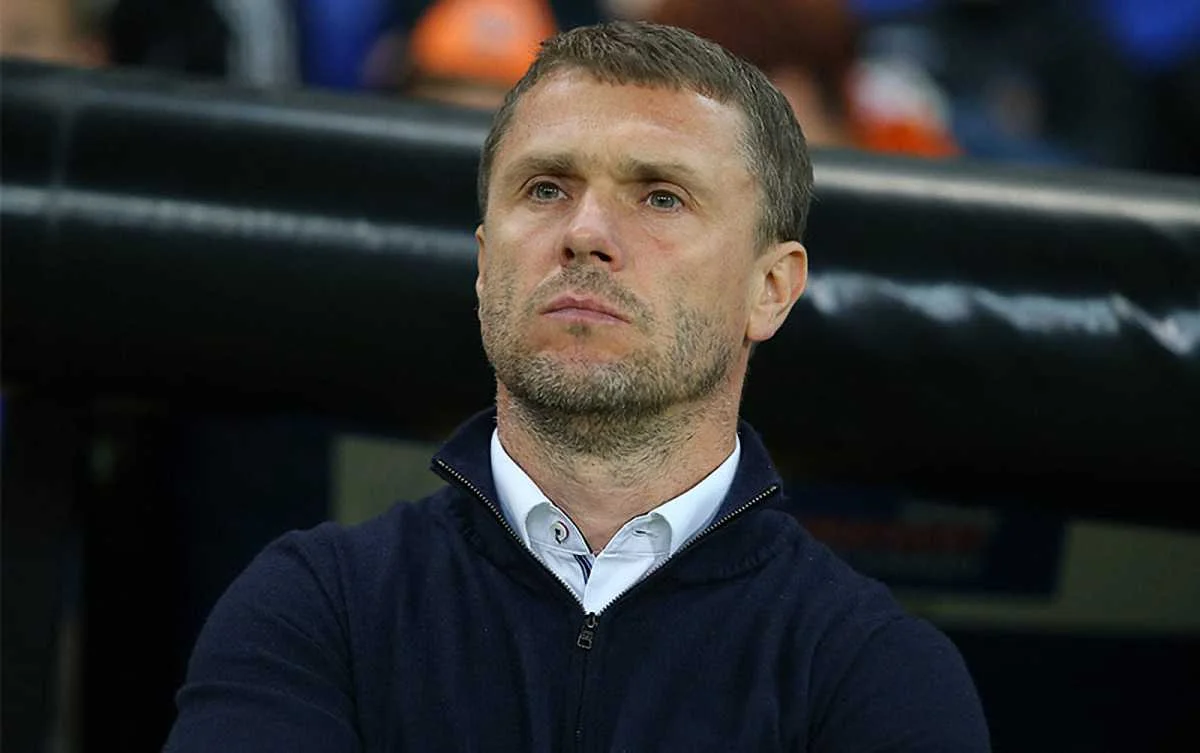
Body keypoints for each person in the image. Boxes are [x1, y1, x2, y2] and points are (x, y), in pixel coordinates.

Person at [163, 20, 989, 751]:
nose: (585, 233)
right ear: (484, 264)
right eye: (547, 188)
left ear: (770, 288)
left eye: (661, 196)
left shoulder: (871, 671)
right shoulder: (317, 608)